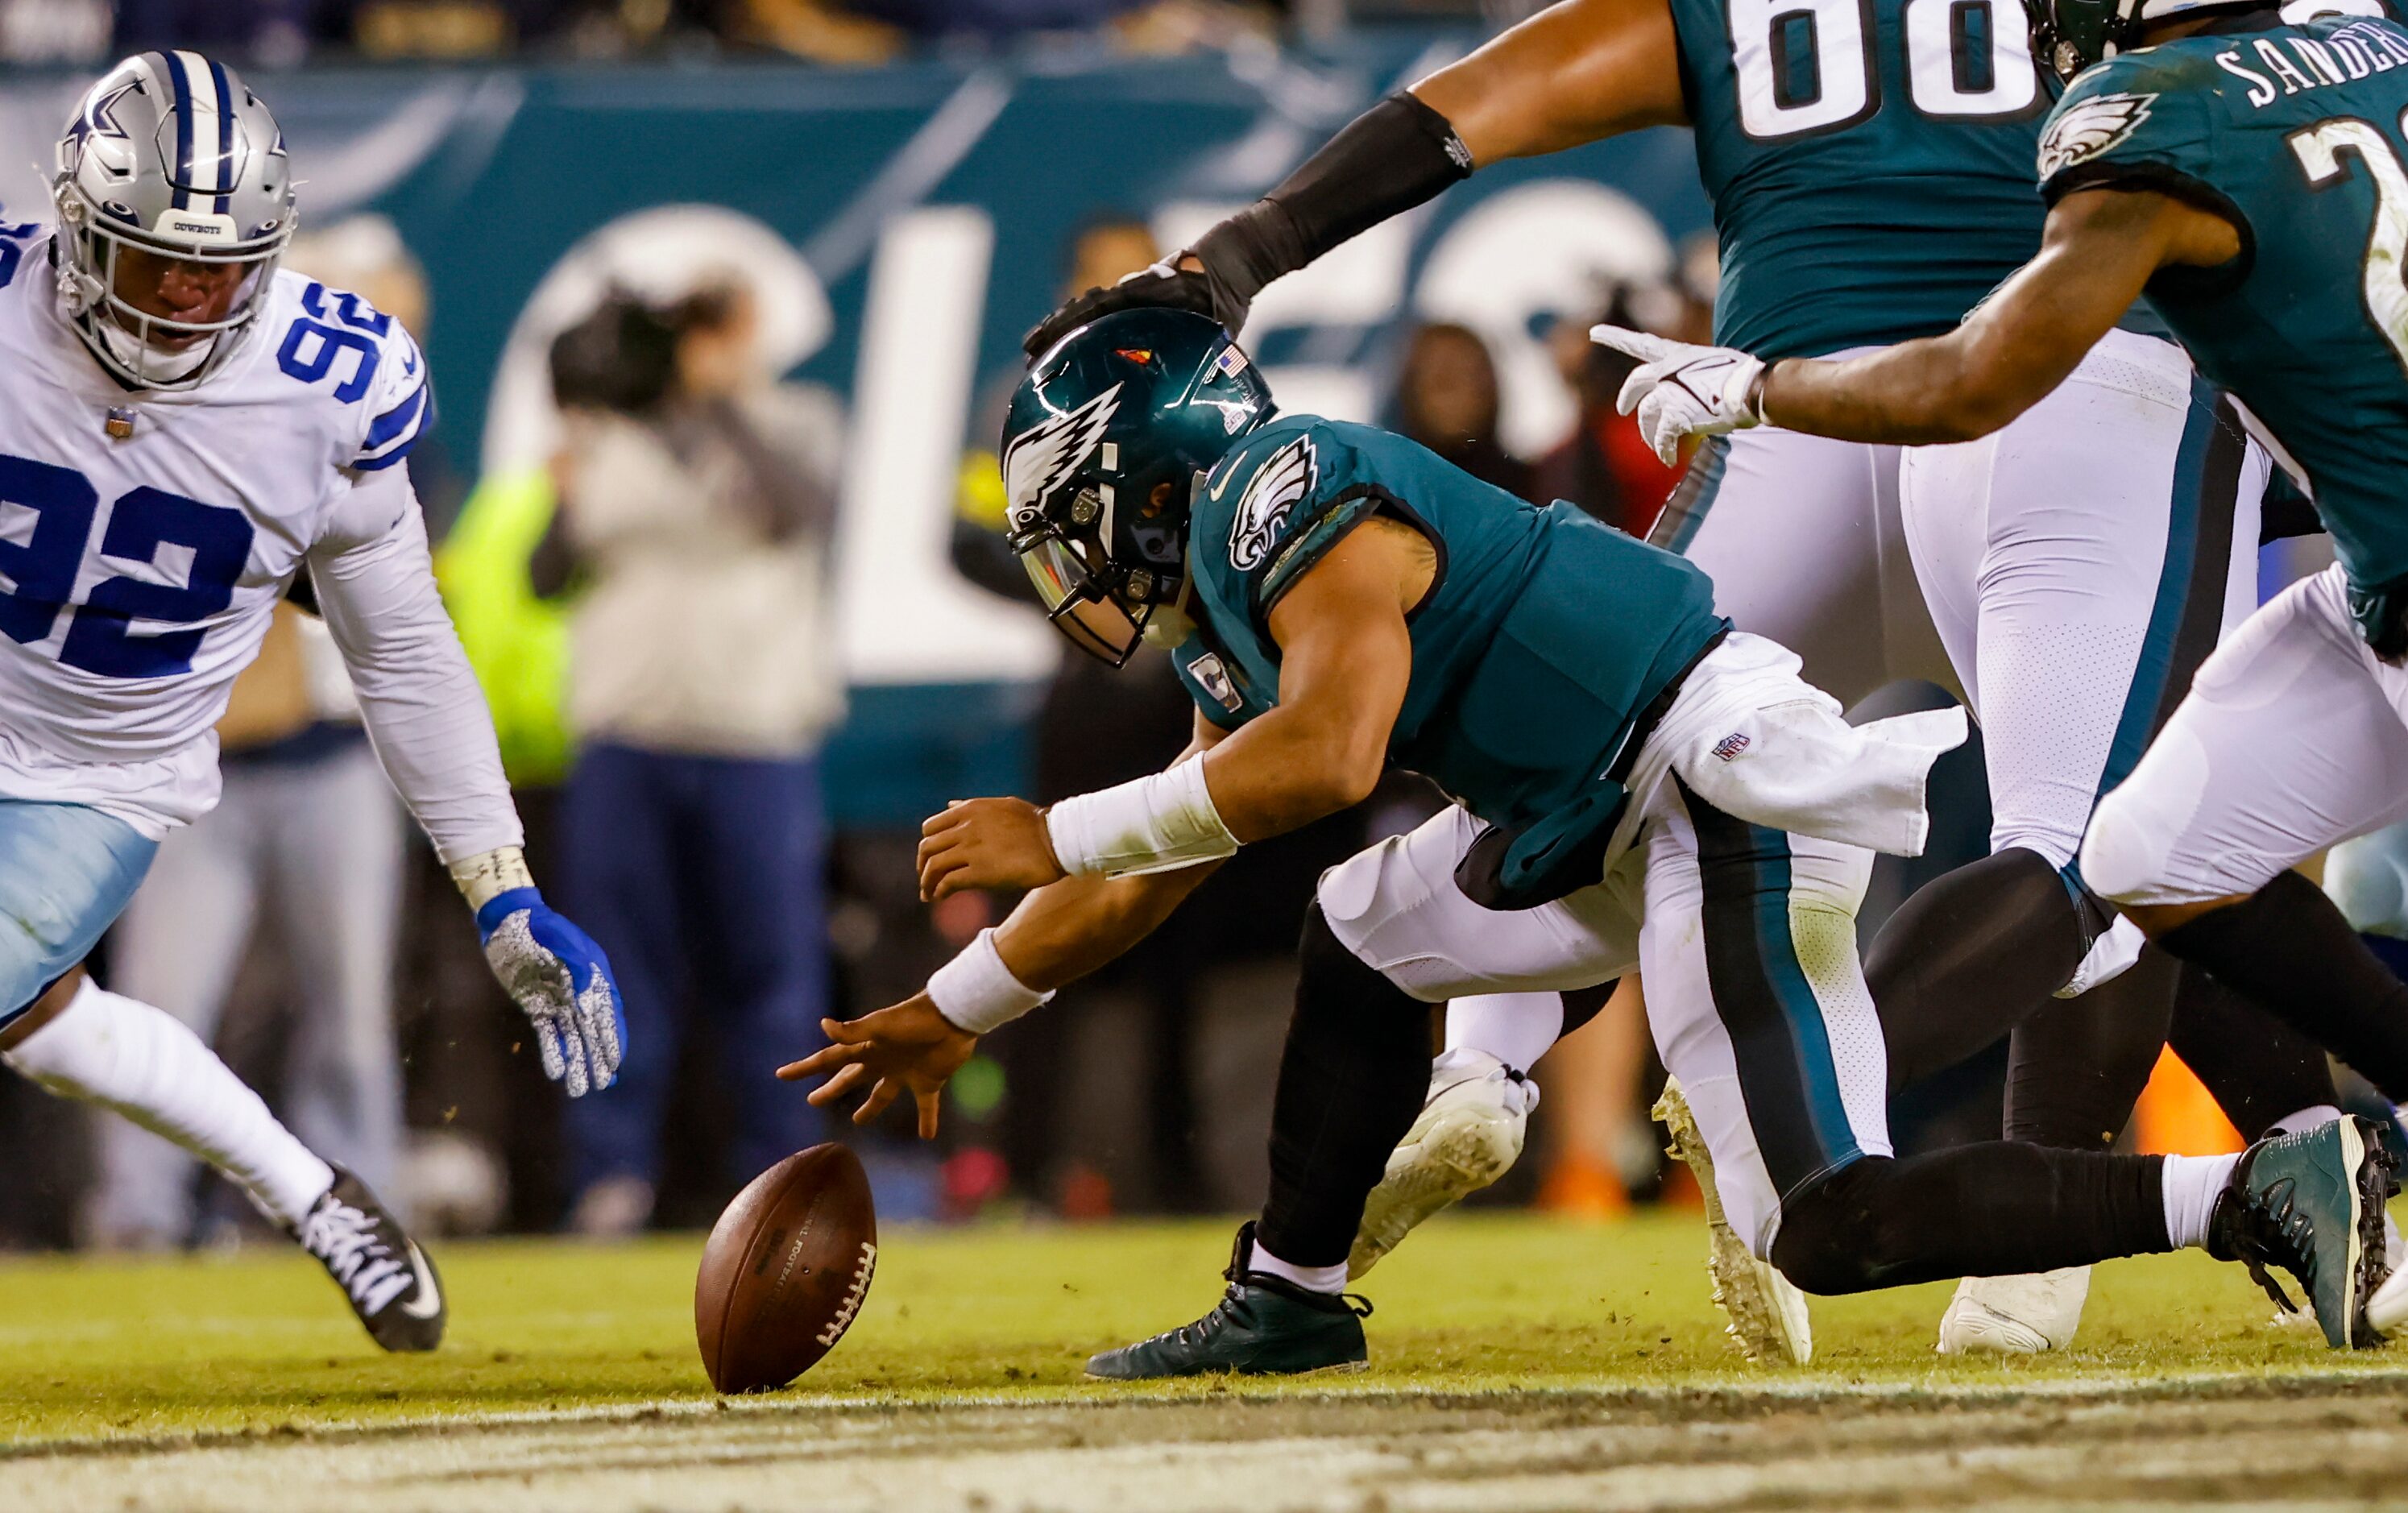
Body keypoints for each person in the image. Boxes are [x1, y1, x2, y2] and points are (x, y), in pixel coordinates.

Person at [1021, 0, 2350, 1360]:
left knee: (1603, 749)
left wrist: (1236, 256)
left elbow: (1470, 106)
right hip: (2042, 374)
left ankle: (1482, 1059)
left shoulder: (1732, 17)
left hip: (1792, 396)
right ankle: (1987, 1185)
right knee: (2102, 852)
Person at [788, 309, 2393, 1378]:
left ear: (1144, 461)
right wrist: (963, 1004)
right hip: (1587, 817)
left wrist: (1051, 822)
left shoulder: (1281, 485)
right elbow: (1174, 851)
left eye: (1076, 499)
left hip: (1710, 791)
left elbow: (1329, 754)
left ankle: (2255, 1191)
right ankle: (1288, 1295)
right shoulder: (1233, 581)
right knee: (1360, 927)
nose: (1072, 549)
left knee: (1827, 1228)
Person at [1598, 0, 2408, 1337]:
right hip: (2359, 583)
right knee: (2140, 852)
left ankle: (1815, 1081)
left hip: (2296, 522)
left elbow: (1973, 380)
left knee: (2081, 857)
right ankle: (2347, 1133)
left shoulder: (2161, 113)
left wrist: (1756, 391)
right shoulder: (2371, 48)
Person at [0, 52, 621, 1347]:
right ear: (74, 227)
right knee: (38, 1009)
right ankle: (313, 1190)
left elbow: (402, 650)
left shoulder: (328, 388)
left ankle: (310, 1187)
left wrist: (497, 881)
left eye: (217, 270)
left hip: (94, 774)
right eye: (153, 262)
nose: (183, 302)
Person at [545, 280, 844, 1235]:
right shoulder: (609, 435)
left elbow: (801, 511)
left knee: (772, 972)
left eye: (715, 330)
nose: (698, 351)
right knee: (616, 964)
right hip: (627, 737)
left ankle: (781, 1175)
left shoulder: (796, 420)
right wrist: (573, 479)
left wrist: (715, 404)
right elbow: (544, 575)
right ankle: (611, 1173)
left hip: (756, 735)